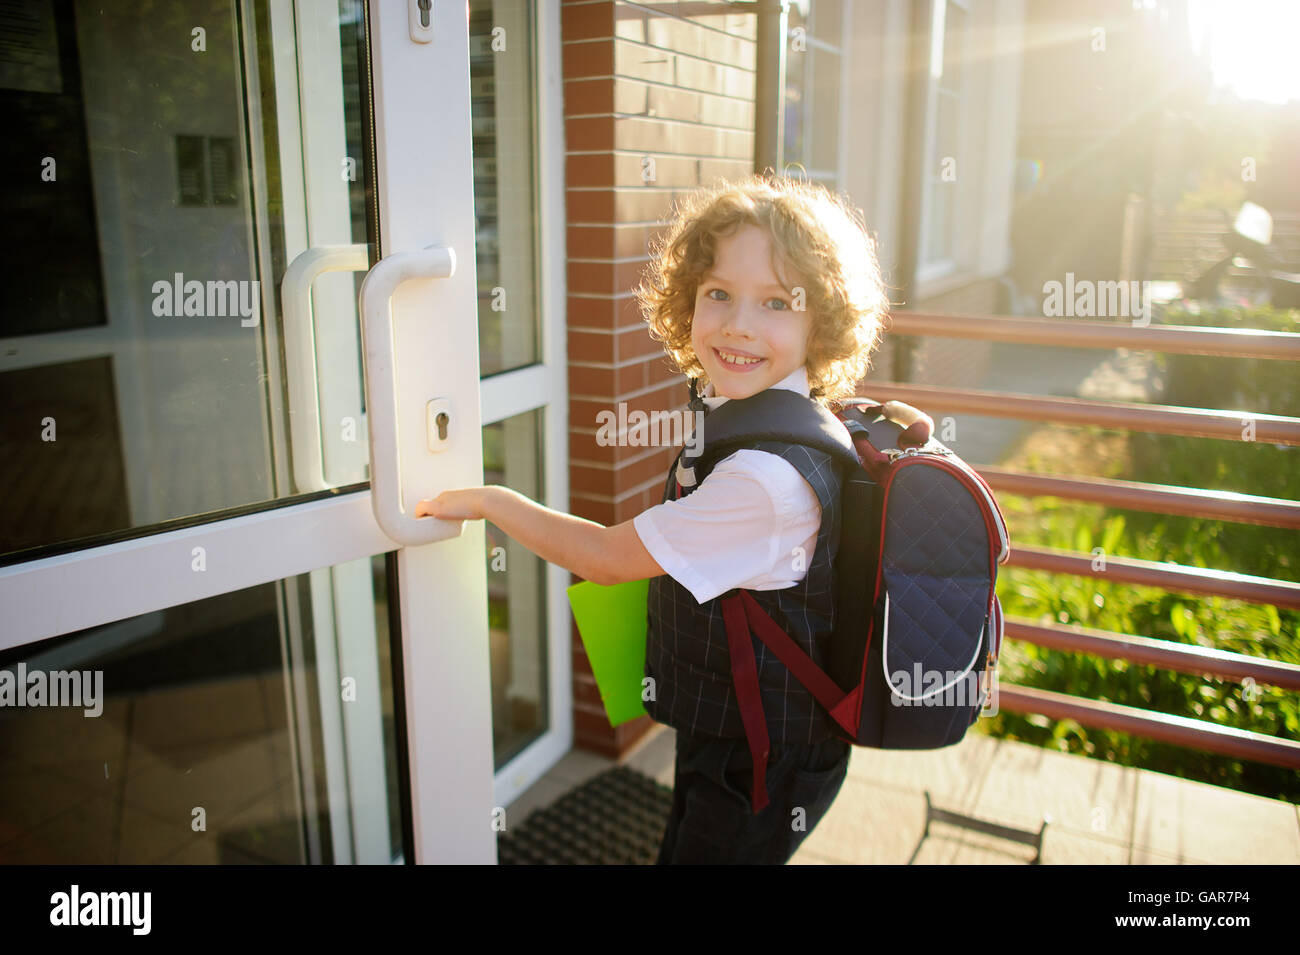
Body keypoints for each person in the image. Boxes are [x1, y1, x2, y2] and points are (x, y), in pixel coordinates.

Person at [416, 173, 891, 864]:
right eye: (718, 293)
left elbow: (607, 558)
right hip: (747, 730)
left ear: (822, 322)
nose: (737, 324)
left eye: (776, 302)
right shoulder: (770, 411)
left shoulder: (763, 480)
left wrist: (493, 501)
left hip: (760, 759)